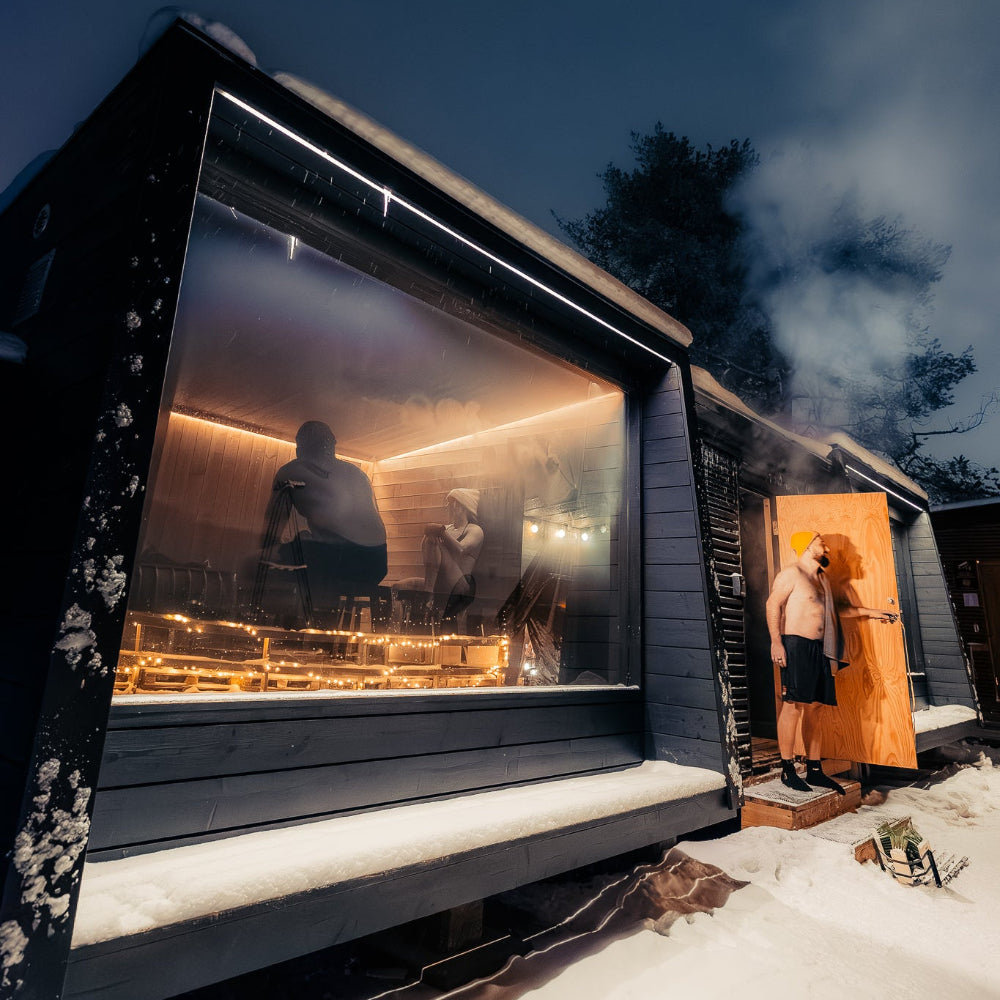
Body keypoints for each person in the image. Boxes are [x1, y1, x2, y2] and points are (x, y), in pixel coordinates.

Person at [766, 530, 897, 794]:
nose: (826, 548)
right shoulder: (791, 574)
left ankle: (815, 770)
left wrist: (872, 612)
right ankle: (787, 769)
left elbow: (835, 611)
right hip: (796, 645)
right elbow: (772, 605)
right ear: (805, 546)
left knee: (816, 709)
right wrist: (776, 642)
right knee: (793, 706)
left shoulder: (822, 579)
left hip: (821, 648)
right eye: (820, 543)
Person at [262, 421, 387, 591]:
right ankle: (324, 611)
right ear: (333, 447)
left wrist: (267, 555)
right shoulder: (358, 474)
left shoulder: (291, 472)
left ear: (299, 449)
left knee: (268, 561)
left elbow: (272, 528)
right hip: (376, 566)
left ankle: (298, 613)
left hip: (339, 563)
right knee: (305, 544)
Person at [419, 488, 485, 623]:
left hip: (460, 585)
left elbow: (461, 550)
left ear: (465, 506)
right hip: (439, 582)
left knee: (435, 536)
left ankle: (428, 594)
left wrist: (441, 533)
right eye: (449, 502)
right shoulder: (446, 528)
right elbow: (424, 548)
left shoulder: (474, 530)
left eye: (454, 502)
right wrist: (430, 535)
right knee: (400, 587)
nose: (450, 506)